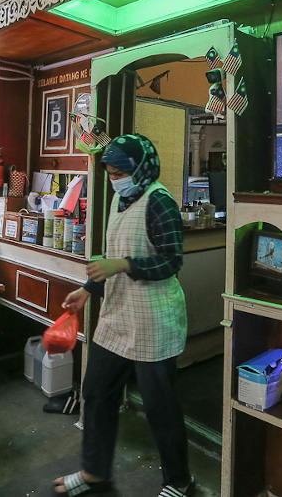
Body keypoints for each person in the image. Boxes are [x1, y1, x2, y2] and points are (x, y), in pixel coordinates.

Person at [52, 134, 194, 497]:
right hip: (117, 316)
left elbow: (171, 261)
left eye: (120, 172)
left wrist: (123, 265)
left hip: (153, 320)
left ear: (142, 168)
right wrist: (88, 290)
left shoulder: (159, 201)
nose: (115, 178)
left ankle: (180, 482)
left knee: (160, 408)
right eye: (111, 172)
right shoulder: (119, 198)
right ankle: (95, 472)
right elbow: (115, 253)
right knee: (97, 393)